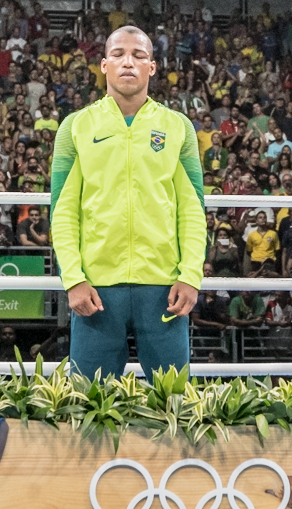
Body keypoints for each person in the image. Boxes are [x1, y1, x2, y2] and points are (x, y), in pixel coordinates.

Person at [50, 26, 207, 379]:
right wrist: (73, 279)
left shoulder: (178, 127)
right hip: (96, 287)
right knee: (88, 404)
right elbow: (62, 212)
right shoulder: (74, 127)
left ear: (152, 68)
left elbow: (193, 210)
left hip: (165, 287)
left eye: (138, 56)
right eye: (118, 54)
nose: (128, 62)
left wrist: (191, 276)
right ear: (104, 65)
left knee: (172, 404)